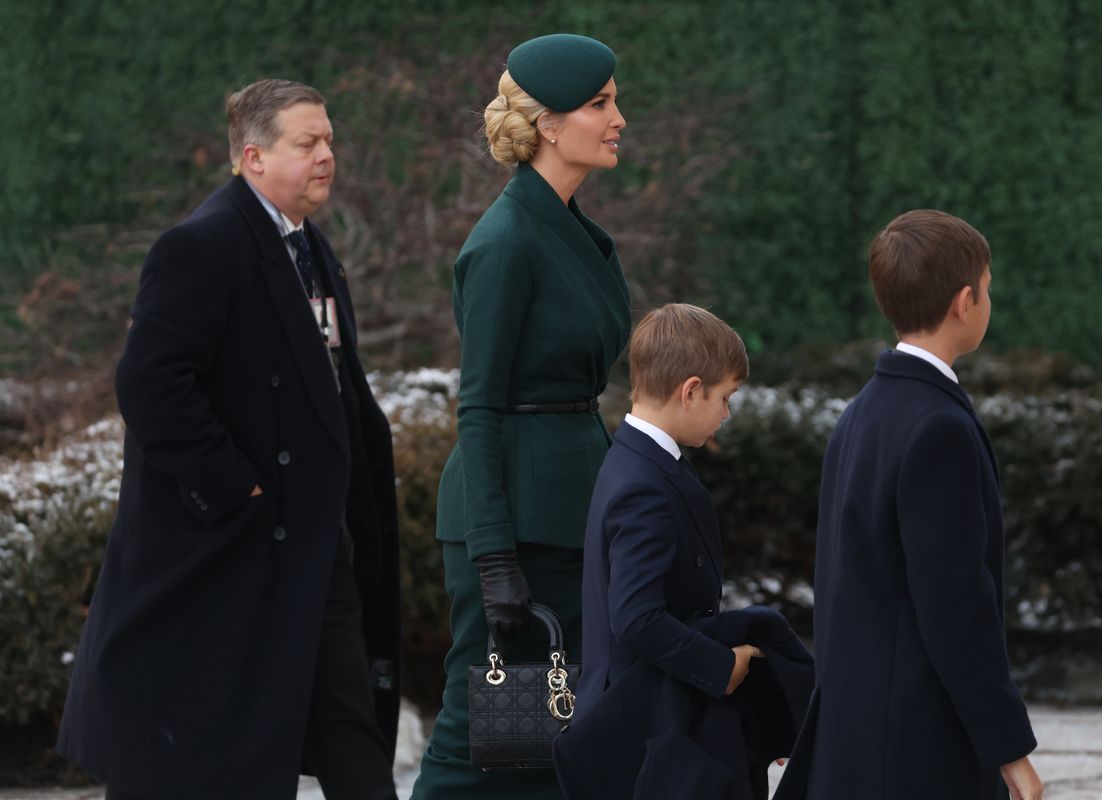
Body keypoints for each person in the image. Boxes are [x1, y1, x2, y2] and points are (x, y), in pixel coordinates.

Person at [56, 79, 402, 800]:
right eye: (307, 143)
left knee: (349, 720)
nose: (327, 156)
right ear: (253, 157)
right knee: (193, 748)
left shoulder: (312, 247)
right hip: (226, 547)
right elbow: (150, 386)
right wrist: (237, 486)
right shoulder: (199, 246)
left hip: (311, 540)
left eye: (330, 140)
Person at [410, 34, 631, 800]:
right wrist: (495, 558)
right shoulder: (504, 243)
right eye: (599, 105)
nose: (618, 119)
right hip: (515, 528)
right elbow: (479, 406)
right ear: (548, 123)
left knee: (550, 741)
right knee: (487, 738)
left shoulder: (576, 233)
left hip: (571, 516)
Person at [784, 210, 1042, 799]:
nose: (989, 303)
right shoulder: (937, 428)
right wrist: (1009, 749)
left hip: (859, 733)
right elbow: (956, 603)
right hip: (916, 745)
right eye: (989, 290)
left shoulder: (861, 414)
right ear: (964, 302)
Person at [555, 303, 814, 800]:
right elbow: (635, 618)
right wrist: (721, 666)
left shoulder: (632, 458)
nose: (727, 414)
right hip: (646, 724)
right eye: (725, 397)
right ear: (691, 390)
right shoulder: (644, 484)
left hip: (654, 711)